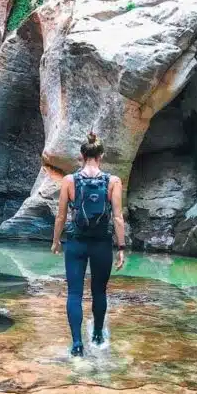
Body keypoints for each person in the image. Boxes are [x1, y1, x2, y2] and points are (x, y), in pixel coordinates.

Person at [50, 132, 126, 356]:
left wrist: (56, 241)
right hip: (102, 242)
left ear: (81, 156)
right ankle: (98, 336)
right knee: (99, 292)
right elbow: (118, 217)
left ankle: (76, 345)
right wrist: (121, 248)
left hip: (75, 242)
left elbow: (61, 217)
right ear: (101, 156)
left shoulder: (69, 181)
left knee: (74, 293)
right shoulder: (113, 182)